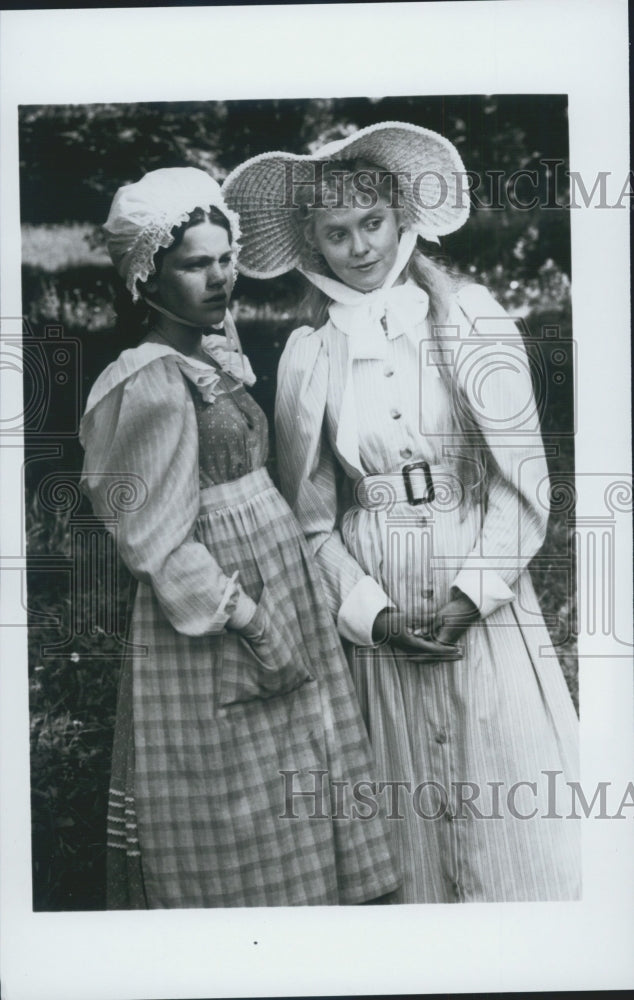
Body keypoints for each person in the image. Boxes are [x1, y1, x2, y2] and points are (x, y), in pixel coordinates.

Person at [223, 122, 580, 903]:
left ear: (402, 218)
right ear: (313, 248)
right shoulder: (310, 357)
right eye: (337, 234)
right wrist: (369, 612)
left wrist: (469, 596)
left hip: (477, 595)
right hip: (378, 614)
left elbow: (523, 480)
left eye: (373, 224)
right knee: (406, 818)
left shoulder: (469, 319)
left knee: (506, 804)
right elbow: (309, 519)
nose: (360, 248)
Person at [79, 166, 401, 909]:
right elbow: (155, 538)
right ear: (146, 279)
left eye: (225, 258)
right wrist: (252, 622)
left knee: (295, 756)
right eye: (195, 264)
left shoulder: (208, 356)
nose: (219, 277)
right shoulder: (152, 381)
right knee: (233, 785)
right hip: (222, 611)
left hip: (274, 580)